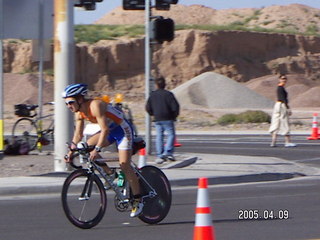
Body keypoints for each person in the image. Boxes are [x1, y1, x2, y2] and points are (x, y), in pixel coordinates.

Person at [62, 83, 143, 218]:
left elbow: (104, 129)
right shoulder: (79, 113)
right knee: (85, 148)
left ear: (80, 99)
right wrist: (70, 152)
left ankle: (137, 199)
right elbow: (78, 135)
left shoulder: (95, 105)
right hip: (110, 131)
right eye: (66, 104)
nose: (69, 106)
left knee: (125, 165)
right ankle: (110, 173)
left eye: (70, 102)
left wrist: (97, 149)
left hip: (122, 130)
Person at [146, 77, 180, 164]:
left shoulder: (152, 95)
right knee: (171, 135)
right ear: (165, 84)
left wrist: (152, 114)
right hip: (168, 118)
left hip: (157, 118)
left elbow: (148, 107)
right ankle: (168, 152)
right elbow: (175, 107)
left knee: (159, 136)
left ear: (156, 85)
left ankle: (160, 155)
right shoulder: (168, 94)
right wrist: (174, 116)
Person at [269, 75, 297, 147]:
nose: (284, 80)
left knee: (276, 122)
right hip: (281, 105)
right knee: (284, 121)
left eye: (285, 79)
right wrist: (287, 108)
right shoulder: (281, 88)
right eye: (282, 79)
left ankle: (273, 141)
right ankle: (287, 142)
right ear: (279, 79)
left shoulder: (280, 88)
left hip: (277, 105)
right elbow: (283, 99)